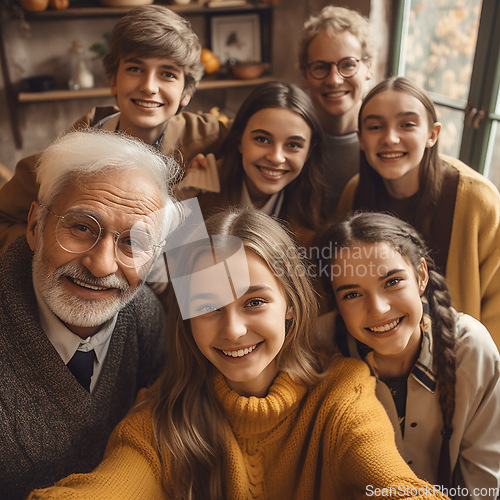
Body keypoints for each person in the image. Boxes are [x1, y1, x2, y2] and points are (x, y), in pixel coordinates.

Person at [29, 208, 451, 500]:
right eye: (208, 307)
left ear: (290, 303)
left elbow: (394, 483)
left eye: (254, 302)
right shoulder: (159, 422)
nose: (232, 331)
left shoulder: (343, 394)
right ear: (187, 318)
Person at [0, 129, 181, 499]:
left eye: (134, 241)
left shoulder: (144, 315)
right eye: (82, 227)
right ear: (35, 226)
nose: (101, 266)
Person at [0, 4, 229, 249]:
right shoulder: (67, 157)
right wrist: (47, 249)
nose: (149, 86)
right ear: (113, 81)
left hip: (173, 278)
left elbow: (265, 135)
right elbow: (4, 217)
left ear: (186, 93)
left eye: (168, 74)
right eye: (135, 69)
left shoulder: (208, 136)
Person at [316, 211, 500, 498]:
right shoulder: (319, 351)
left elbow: (483, 484)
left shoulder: (471, 348)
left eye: (392, 282)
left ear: (421, 276)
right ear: (336, 303)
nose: (378, 309)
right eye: (352, 294)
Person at [337, 76, 500, 347]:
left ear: (432, 134)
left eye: (407, 125)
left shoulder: (477, 199)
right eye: (375, 127)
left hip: (460, 356)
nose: (390, 138)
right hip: (379, 352)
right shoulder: (353, 194)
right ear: (361, 139)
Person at [179, 81, 327, 248]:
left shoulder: (314, 220)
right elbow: (171, 265)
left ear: (309, 152)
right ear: (239, 140)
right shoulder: (200, 195)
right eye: (262, 140)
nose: (276, 158)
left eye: (293, 145)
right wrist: (183, 200)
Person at [297, 5, 374, 210]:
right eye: (320, 67)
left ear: (368, 67)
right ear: (305, 75)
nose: (334, 80)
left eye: (348, 64)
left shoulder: (386, 140)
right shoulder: (289, 138)